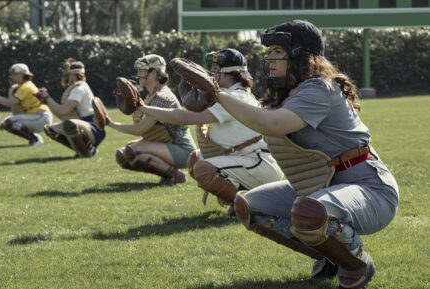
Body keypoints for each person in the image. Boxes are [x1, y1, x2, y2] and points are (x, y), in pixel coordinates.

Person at [208, 21, 399, 289]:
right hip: (323, 185)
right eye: (271, 51)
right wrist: (207, 97)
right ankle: (330, 256)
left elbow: (271, 125)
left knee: (309, 211)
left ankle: (356, 263)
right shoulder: (288, 93)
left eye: (277, 51)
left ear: (300, 55)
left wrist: (216, 95)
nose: (270, 58)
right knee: (248, 206)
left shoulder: (320, 87)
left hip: (369, 187)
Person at [138, 48, 283, 213]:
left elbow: (184, 118)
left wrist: (142, 108)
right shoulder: (227, 94)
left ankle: (250, 208)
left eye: (215, 69)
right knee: (195, 159)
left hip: (258, 163)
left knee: (204, 169)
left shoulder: (234, 97)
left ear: (231, 74)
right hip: (243, 158)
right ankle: (240, 196)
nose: (210, 73)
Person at [107, 54, 196, 186]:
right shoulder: (152, 95)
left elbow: (139, 130)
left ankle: (175, 175)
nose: (138, 75)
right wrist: (138, 121)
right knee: (123, 156)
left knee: (131, 151)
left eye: (141, 71)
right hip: (171, 145)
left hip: (182, 149)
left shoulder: (161, 97)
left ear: (154, 73)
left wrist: (110, 123)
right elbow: (150, 131)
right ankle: (166, 174)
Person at [34, 59, 106, 158]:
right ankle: (82, 150)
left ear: (73, 74)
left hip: (93, 127)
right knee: (50, 129)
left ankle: (88, 150)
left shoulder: (79, 88)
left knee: (69, 125)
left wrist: (47, 98)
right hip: (87, 125)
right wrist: (47, 101)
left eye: (68, 74)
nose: (67, 77)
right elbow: (61, 115)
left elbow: (63, 110)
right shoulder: (78, 87)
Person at [0, 63, 52, 146]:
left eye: (14, 74)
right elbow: (15, 109)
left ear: (22, 75)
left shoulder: (26, 86)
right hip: (37, 116)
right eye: (11, 74)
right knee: (7, 123)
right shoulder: (22, 86)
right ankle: (34, 137)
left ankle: (35, 139)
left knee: (8, 122)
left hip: (41, 116)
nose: (11, 76)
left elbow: (8, 103)